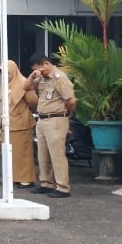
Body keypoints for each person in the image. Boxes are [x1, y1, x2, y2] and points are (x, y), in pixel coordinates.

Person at [25, 53, 77, 198]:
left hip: (56, 120)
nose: (40, 72)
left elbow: (71, 101)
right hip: (42, 120)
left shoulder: (60, 79)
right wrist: (32, 76)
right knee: (43, 154)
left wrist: (66, 113)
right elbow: (26, 87)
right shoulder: (41, 78)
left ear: (46, 64)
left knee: (57, 154)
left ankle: (62, 187)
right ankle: (46, 183)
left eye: (41, 69)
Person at [3, 61, 38, 189]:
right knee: (11, 152)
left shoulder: (23, 82)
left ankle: (26, 179)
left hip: (21, 122)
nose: (5, 75)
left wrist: (26, 112)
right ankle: (13, 177)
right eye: (2, 73)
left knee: (23, 152)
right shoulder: (6, 85)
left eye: (7, 72)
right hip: (8, 124)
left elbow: (33, 101)